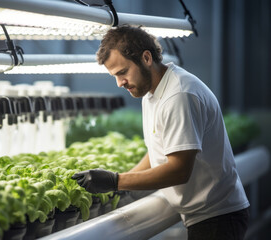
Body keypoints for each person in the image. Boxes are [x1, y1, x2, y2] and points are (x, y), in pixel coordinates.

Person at [71, 25, 250, 240]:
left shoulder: (178, 95)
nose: (119, 83)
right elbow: (160, 150)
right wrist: (124, 186)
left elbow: (179, 170)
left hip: (218, 218)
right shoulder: (152, 92)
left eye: (123, 72)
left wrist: (116, 181)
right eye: (114, 76)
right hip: (205, 215)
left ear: (146, 58)